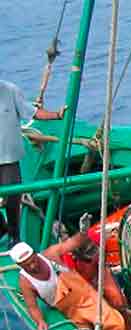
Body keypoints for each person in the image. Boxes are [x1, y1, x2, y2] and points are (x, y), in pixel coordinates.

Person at [10, 241, 129, 330]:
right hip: (65, 307)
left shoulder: (51, 255)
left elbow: (73, 245)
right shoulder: (25, 282)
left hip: (83, 294)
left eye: (33, 261)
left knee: (115, 324)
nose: (33, 266)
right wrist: (40, 321)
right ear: (20, 266)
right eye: (27, 266)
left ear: (35, 254)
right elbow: (32, 307)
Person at [1, 80, 63, 243]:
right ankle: (2, 228)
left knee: (12, 198)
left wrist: (56, 115)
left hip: (9, 158)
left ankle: (14, 236)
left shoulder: (11, 90)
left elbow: (33, 112)